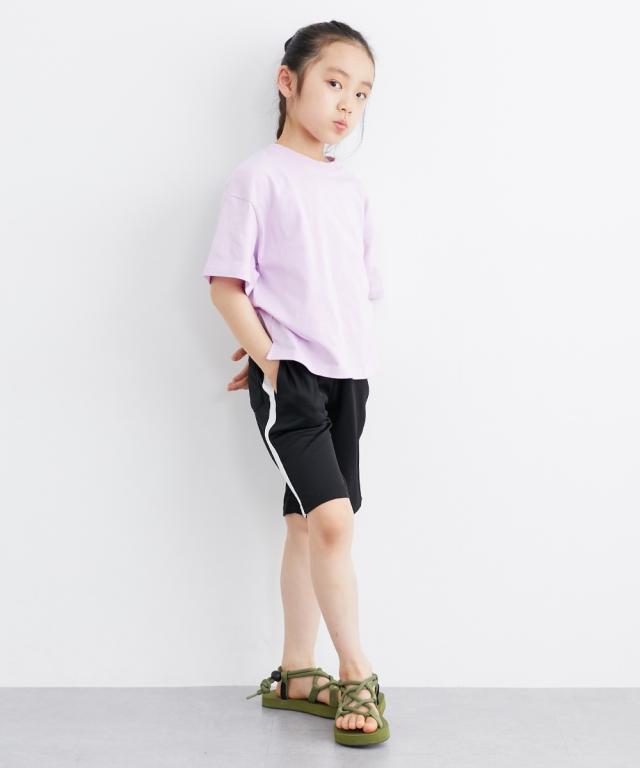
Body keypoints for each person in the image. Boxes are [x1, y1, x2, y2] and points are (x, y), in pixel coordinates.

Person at [203, 20, 389, 747]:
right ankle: (356, 672)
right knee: (334, 524)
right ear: (289, 81)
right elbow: (226, 285)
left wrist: (280, 344)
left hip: (349, 378)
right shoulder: (258, 178)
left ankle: (296, 672)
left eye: (363, 93)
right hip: (296, 381)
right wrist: (272, 361)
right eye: (334, 82)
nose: (348, 103)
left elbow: (345, 292)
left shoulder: (352, 190)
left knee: (308, 523)